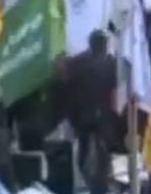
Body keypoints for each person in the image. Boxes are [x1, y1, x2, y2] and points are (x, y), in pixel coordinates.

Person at [59, 30, 118, 194]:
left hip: (87, 116)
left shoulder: (78, 63)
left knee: (90, 153)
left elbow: (67, 87)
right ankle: (98, 185)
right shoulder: (109, 63)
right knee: (97, 152)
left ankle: (97, 184)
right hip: (94, 116)